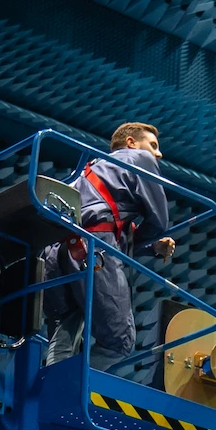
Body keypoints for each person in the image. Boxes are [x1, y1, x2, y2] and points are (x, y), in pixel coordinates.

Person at [41, 122, 174, 372]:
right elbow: (159, 220)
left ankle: (52, 379)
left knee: (67, 327)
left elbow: (101, 218)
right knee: (119, 342)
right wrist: (149, 236)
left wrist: (149, 247)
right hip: (94, 251)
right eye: (153, 146)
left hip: (58, 251)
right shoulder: (139, 159)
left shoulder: (91, 168)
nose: (158, 154)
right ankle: (69, 383)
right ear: (131, 143)